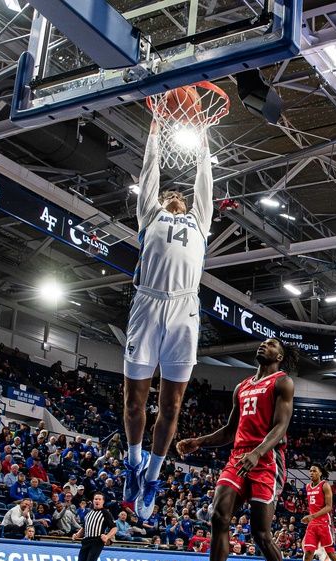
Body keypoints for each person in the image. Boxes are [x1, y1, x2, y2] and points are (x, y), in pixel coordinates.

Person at [122, 114, 214, 522]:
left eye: (181, 195)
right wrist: (155, 129)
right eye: (169, 195)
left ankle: (154, 478)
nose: (176, 196)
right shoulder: (150, 215)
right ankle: (133, 463)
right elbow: (149, 172)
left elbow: (204, 180)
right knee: (133, 401)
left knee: (172, 406)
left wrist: (205, 137)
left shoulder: (200, 219)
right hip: (148, 302)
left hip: (184, 308)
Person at [177, 338, 301, 561]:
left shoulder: (283, 383)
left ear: (279, 356)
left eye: (270, 344)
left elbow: (281, 427)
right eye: (261, 343)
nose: (263, 346)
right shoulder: (241, 387)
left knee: (260, 534)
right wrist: (200, 441)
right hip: (238, 458)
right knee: (218, 517)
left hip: (267, 460)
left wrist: (258, 453)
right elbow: (230, 430)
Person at [71, 492, 117, 561]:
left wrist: (107, 536)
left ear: (103, 501)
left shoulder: (105, 513)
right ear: (92, 501)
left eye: (99, 499)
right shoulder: (88, 513)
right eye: (95, 499)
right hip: (86, 541)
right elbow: (84, 527)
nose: (97, 501)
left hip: (97, 541)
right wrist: (77, 535)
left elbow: (114, 528)